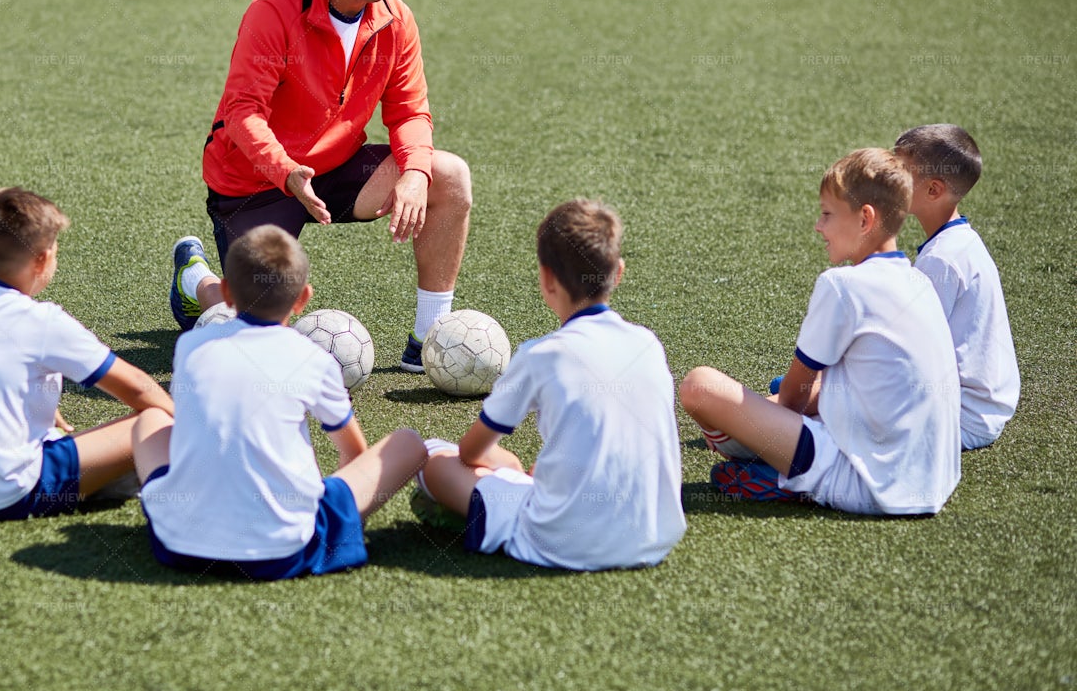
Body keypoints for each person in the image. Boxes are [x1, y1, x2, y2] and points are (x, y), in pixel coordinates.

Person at [169, 0, 472, 373]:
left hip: (337, 169)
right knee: (260, 329)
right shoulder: (275, 9)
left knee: (448, 174)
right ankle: (195, 280)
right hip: (256, 181)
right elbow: (243, 111)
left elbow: (410, 112)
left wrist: (415, 172)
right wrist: (287, 173)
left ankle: (429, 338)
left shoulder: (396, 20)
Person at [680, 148, 961, 515]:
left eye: (827, 214)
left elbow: (795, 397)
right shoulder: (919, 282)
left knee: (700, 388)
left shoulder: (844, 285)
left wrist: (743, 423)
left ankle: (788, 480)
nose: (818, 226)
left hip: (865, 482)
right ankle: (774, 467)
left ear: (865, 219)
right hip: (933, 481)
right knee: (811, 393)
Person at [136, 225, 427, 579]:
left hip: (178, 545)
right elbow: (354, 452)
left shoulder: (190, 347)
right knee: (408, 443)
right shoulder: (313, 359)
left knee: (150, 420)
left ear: (225, 292)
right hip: (284, 553)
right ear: (304, 298)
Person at [415, 200, 686, 571]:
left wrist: (502, 467)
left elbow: (469, 452)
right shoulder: (648, 345)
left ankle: (497, 498)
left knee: (432, 457)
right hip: (655, 537)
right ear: (618, 273)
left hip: (561, 543)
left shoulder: (540, 355)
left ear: (546, 278)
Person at [0, 188, 173, 520]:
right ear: (43, 259)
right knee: (156, 421)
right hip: (2, 493)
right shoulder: (43, 321)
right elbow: (136, 386)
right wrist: (187, 423)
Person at [894, 124, 1019, 450]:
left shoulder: (942, 260)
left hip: (961, 415)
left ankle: (778, 476)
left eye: (900, 171)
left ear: (933, 190)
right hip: (980, 407)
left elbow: (903, 351)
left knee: (831, 415)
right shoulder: (958, 243)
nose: (888, 178)